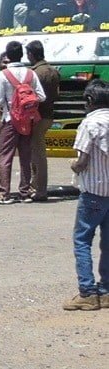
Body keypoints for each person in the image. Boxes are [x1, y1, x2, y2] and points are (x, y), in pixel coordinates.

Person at [64, 79, 109, 310]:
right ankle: (107, 290)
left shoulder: (89, 124)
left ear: (89, 101)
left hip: (93, 192)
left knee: (82, 240)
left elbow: (81, 162)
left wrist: (74, 166)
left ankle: (87, 292)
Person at [0, 40, 45, 204]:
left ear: (8, 55)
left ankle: (4, 193)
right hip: (28, 121)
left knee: (5, 157)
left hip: (10, 119)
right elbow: (42, 96)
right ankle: (25, 192)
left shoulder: (3, 74)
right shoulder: (30, 74)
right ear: (22, 54)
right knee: (25, 157)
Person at [27, 40, 60, 202]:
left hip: (38, 116)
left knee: (38, 154)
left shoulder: (34, 73)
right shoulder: (53, 71)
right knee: (36, 152)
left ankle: (40, 189)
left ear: (31, 55)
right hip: (49, 115)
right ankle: (35, 185)